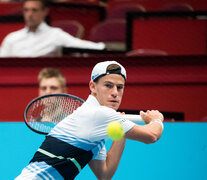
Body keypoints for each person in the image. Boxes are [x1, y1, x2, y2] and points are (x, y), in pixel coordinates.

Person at [15, 60, 164, 180]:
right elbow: (151, 136)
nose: (114, 93)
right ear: (92, 86)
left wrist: (122, 130)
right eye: (108, 85)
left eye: (120, 87)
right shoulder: (99, 114)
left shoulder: (96, 128)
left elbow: (104, 174)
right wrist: (157, 119)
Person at [0, 0, 105, 57]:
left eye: (34, 10)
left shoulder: (55, 35)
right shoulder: (12, 38)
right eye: (26, 10)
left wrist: (106, 47)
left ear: (45, 12)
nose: (29, 14)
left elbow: (83, 46)